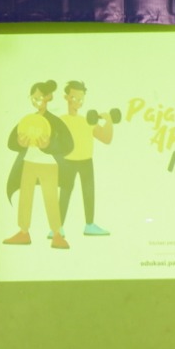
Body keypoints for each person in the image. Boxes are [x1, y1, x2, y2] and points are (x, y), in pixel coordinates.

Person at [3, 79, 72, 249]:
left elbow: (68, 145)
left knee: (50, 199)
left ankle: (57, 234)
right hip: (29, 163)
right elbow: (11, 142)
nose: (36, 101)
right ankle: (23, 232)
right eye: (33, 98)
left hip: (48, 165)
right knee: (25, 197)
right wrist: (20, 142)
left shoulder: (55, 121)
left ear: (48, 97)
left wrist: (49, 145)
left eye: (39, 98)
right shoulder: (28, 120)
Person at [58, 80, 114, 236]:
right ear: (66, 97)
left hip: (86, 162)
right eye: (74, 98)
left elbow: (106, 138)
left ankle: (89, 225)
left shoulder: (87, 120)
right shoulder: (61, 120)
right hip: (67, 161)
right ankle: (57, 228)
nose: (78, 102)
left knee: (89, 192)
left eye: (81, 99)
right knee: (65, 193)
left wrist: (109, 121)